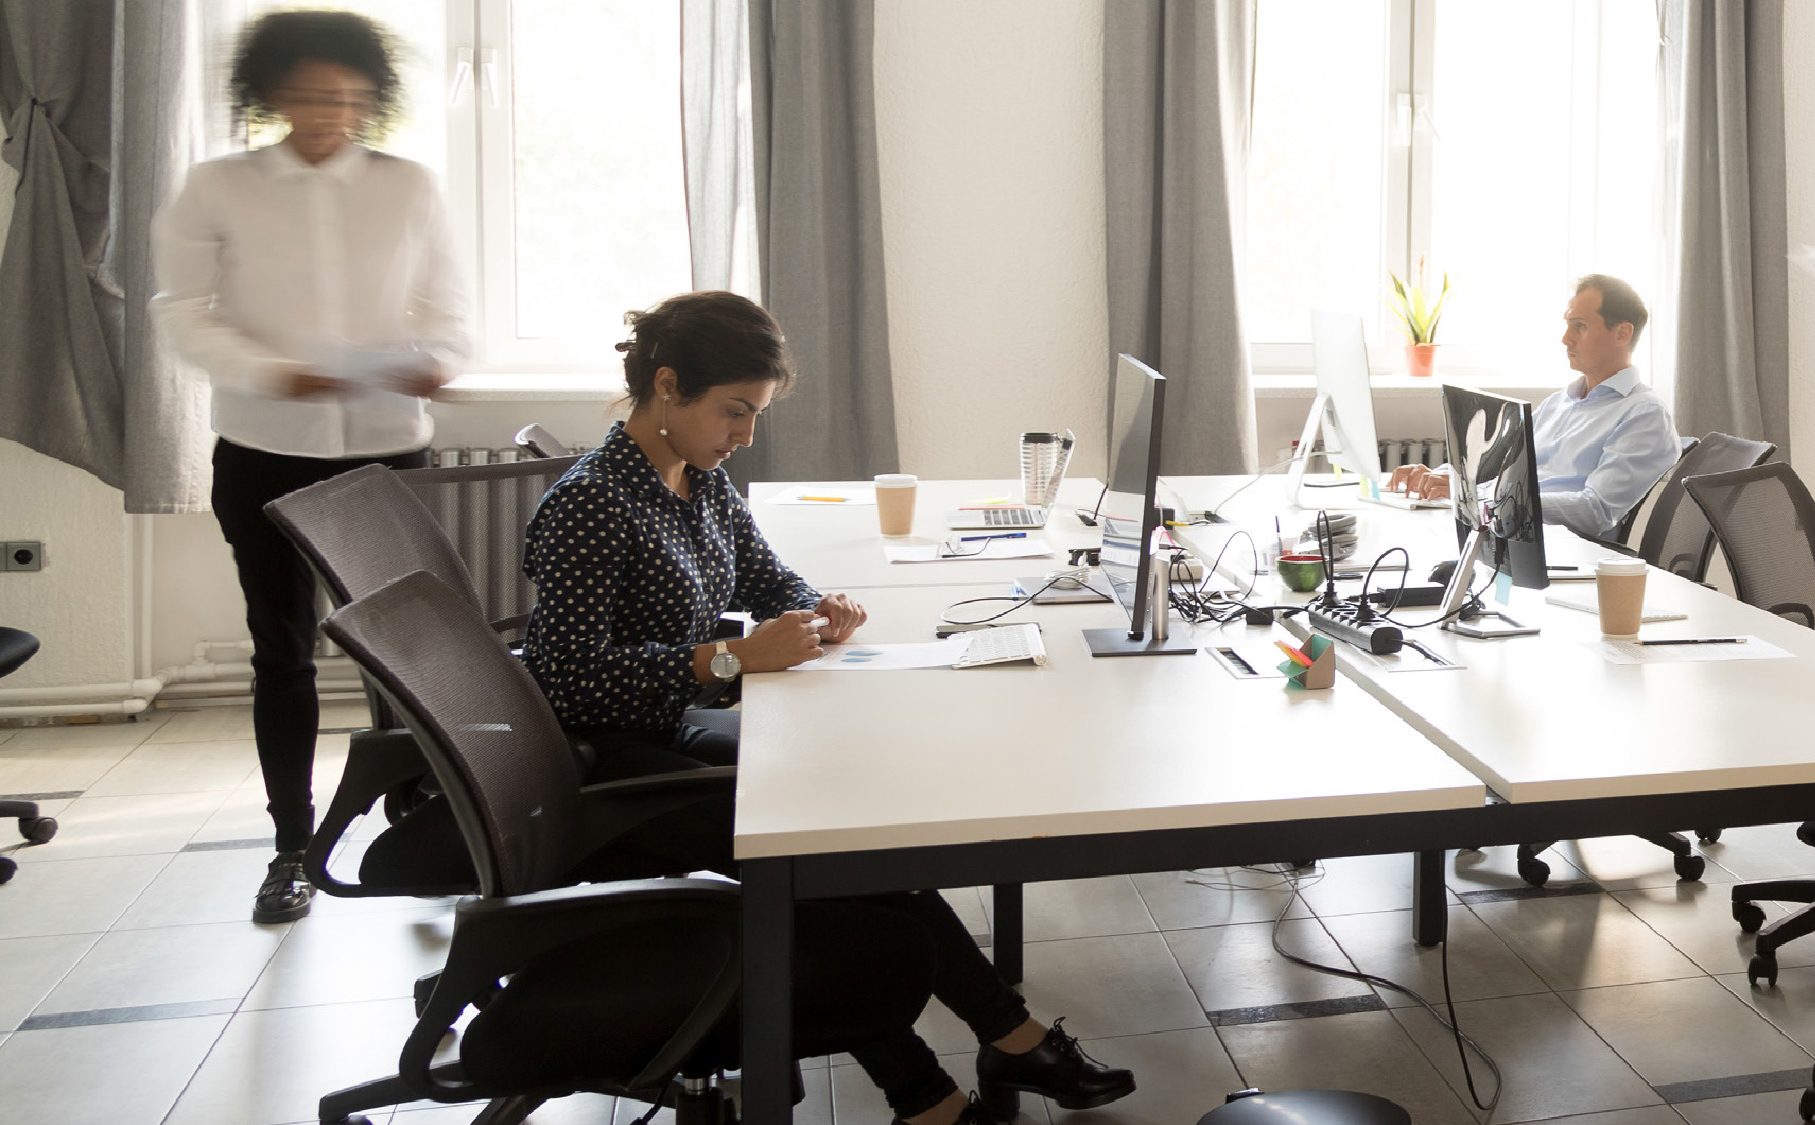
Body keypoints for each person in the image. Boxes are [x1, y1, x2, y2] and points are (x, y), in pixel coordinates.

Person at [520, 290, 1137, 1125]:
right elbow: (564, 680)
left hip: (672, 729)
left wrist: (821, 606)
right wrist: (731, 656)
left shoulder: (698, 478)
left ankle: (964, 1072)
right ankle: (986, 1056)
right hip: (616, 773)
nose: (743, 435)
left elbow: (765, 576)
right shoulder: (593, 502)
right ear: (667, 386)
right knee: (840, 872)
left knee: (857, 845)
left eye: (754, 416)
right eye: (733, 412)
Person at [152, 10, 468, 924]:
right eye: (308, 94)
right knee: (281, 651)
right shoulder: (218, 185)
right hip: (262, 451)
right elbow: (180, 309)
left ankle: (429, 820)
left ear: (372, 96)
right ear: (272, 94)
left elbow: (450, 311)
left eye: (346, 95)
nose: (329, 111)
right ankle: (290, 846)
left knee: (409, 650)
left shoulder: (409, 187)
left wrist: (433, 358)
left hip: (386, 445)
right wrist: (274, 371)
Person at [1386, 275, 1679, 541]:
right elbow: (1497, 465)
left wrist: (1485, 502)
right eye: (1568, 325)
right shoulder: (1558, 403)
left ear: (1622, 334)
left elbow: (1596, 511)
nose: (1566, 338)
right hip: (1509, 534)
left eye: (1580, 326)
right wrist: (1442, 478)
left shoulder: (1644, 414)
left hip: (1558, 549)